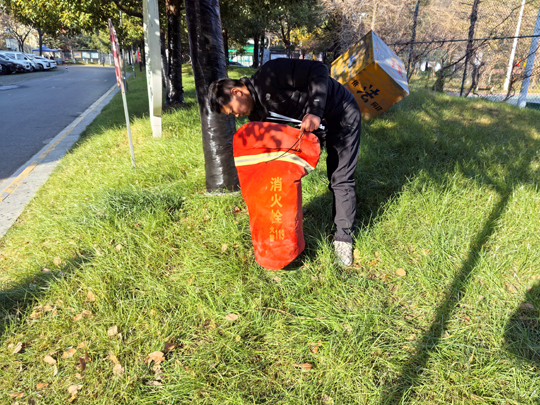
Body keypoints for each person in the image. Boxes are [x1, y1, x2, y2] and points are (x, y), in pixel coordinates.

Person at [208, 59, 362, 266]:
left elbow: (319, 69)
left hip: (340, 115)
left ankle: (343, 238)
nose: (236, 115)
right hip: (312, 130)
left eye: (232, 110)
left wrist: (315, 111)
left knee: (340, 178)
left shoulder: (270, 74)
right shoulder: (256, 116)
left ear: (237, 92)